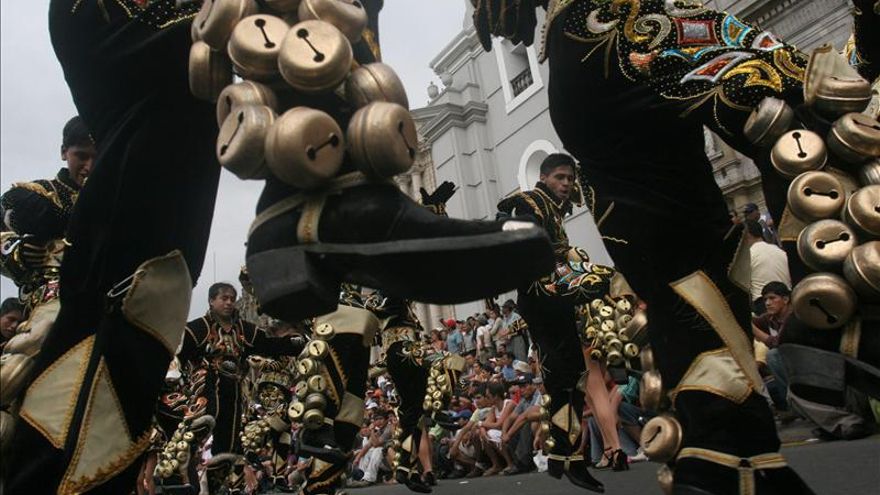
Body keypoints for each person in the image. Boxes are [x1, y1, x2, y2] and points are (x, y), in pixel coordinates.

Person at [471, 0, 880, 491]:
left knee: (687, 267)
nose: (562, 189)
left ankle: (724, 455)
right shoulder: (527, 202)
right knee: (810, 98)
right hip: (615, 28)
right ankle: (840, 327)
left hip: (581, 59)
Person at [497, 153, 615, 492]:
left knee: (574, 376)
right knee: (559, 372)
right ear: (545, 177)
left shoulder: (553, 209)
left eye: (569, 179)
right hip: (541, 294)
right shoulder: (530, 201)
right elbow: (514, 231)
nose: (566, 184)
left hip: (558, 293)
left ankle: (564, 454)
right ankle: (565, 455)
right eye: (560, 177)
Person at [0, 115, 94, 470]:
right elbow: (12, 215)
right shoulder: (38, 194)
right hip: (51, 302)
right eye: (81, 155)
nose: (88, 166)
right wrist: (20, 251)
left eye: (98, 157)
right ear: (64, 153)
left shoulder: (120, 198)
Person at [176, 283, 303, 490]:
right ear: (211, 301)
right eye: (223, 298)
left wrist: (299, 342)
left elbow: (271, 345)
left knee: (227, 447)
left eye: (231, 298)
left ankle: (217, 486)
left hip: (233, 395)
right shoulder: (196, 329)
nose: (228, 302)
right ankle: (181, 478)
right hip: (204, 392)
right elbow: (177, 357)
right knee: (194, 435)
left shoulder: (245, 330)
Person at [752, 282, 794, 411]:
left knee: (773, 355)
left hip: (801, 368)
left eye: (772, 298)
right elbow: (755, 322)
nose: (767, 303)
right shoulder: (771, 318)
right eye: (765, 299)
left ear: (785, 299)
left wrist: (753, 329)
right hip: (787, 372)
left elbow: (776, 343)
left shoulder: (794, 316)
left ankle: (792, 406)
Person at [746, 220, 791, 315]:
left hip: (764, 304)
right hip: (787, 300)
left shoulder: (748, 256)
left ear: (747, 235)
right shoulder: (778, 250)